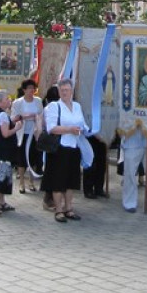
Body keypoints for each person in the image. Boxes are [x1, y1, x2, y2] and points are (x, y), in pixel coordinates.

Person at [43, 79, 89, 223]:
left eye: (67, 90)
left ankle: (69, 208)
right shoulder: (54, 106)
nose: (64, 92)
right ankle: (58, 210)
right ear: (58, 91)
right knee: (58, 180)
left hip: (74, 147)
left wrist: (85, 129)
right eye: (62, 90)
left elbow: (82, 123)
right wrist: (69, 129)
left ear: (72, 91)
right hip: (59, 149)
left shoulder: (77, 106)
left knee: (71, 180)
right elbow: (51, 128)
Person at [11, 79, 43, 193]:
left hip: (34, 134)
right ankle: (21, 183)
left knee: (34, 157)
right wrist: (23, 117)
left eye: (33, 88)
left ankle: (31, 182)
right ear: (24, 90)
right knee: (21, 159)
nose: (31, 90)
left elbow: (41, 115)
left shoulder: (38, 101)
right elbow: (13, 118)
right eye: (29, 88)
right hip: (22, 133)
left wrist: (36, 118)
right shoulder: (18, 103)